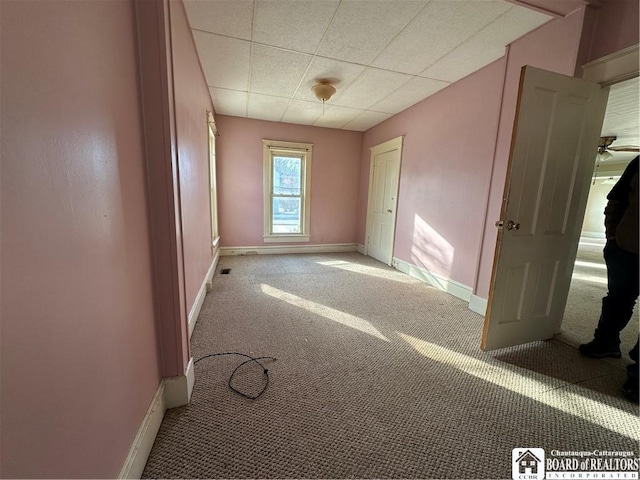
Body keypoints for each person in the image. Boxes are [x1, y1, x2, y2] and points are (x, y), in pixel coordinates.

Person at [579, 155, 638, 403]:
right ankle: (606, 343)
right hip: (627, 247)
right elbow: (616, 199)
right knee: (617, 300)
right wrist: (612, 238)